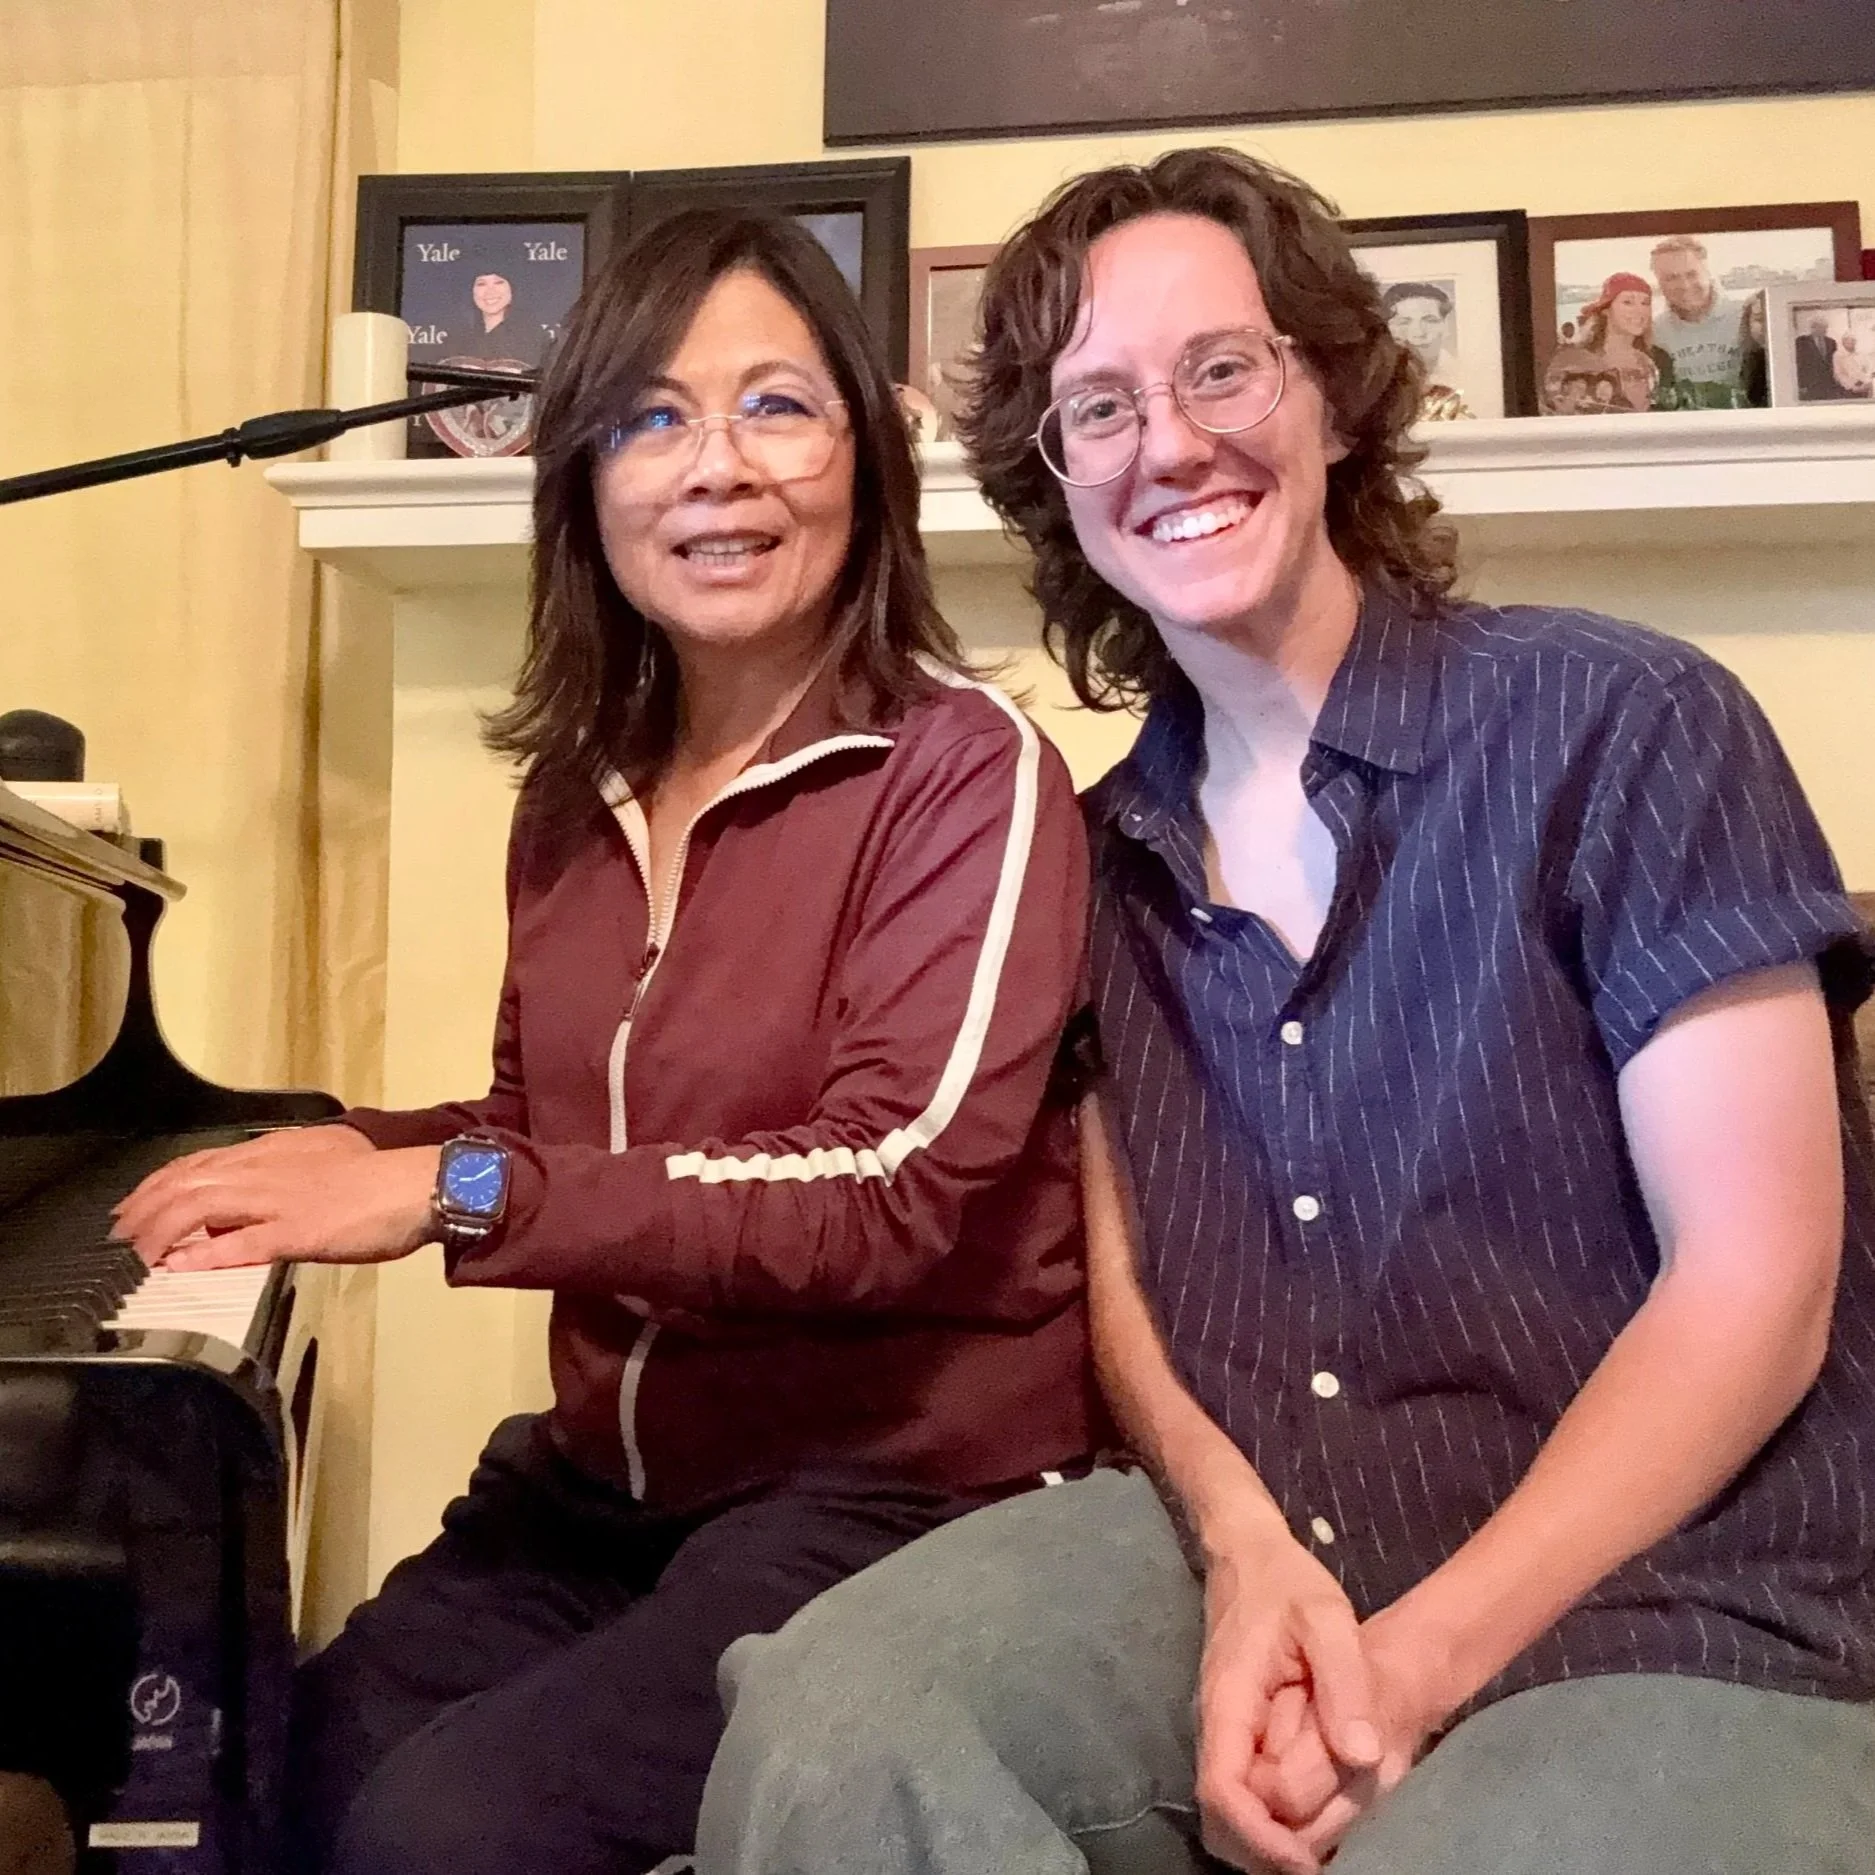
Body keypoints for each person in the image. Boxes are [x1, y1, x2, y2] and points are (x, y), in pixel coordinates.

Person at [695, 147, 1875, 1875]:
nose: (1167, 442)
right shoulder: (1084, 859)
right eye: (1096, 408)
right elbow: (1125, 1293)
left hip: (1688, 1598)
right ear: (1061, 484)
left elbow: (1756, 1290)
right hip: (1264, 1546)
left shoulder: (1628, 725)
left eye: (1219, 369)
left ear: (1331, 393)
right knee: (831, 1728)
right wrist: (1244, 1550)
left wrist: (1411, 1667)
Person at [111, 207, 1102, 1875]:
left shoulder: (966, 774)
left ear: (865, 458)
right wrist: (350, 1142)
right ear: (582, 484)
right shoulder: (578, 797)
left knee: (443, 1836)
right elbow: (541, 1121)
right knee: (244, 1770)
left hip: (882, 1494)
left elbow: (889, 1186)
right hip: (599, 1489)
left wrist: (447, 1188)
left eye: (777, 407)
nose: (714, 467)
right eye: (649, 416)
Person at [1540, 271, 1675, 413]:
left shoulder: (1653, 362)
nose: (1639, 311)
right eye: (1628, 302)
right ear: (1606, 310)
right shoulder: (1572, 361)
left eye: (1645, 303)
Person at [1648, 234, 1746, 406]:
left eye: (1691, 274)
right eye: (1671, 278)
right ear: (1659, 283)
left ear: (1708, 273)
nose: (1684, 286)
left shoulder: (1747, 315)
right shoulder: (1655, 332)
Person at [1378, 281, 1470, 418]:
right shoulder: (1374, 385)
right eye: (1403, 322)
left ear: (1446, 326)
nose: (1418, 333)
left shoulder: (1467, 377)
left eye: (1429, 320)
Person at [1796, 309, 1845, 401]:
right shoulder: (1801, 341)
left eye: (1826, 327)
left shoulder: (1831, 342)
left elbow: (1835, 363)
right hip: (1811, 384)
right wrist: (1801, 385)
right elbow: (1800, 364)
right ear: (1814, 327)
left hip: (1829, 384)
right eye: (1822, 327)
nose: (1825, 330)